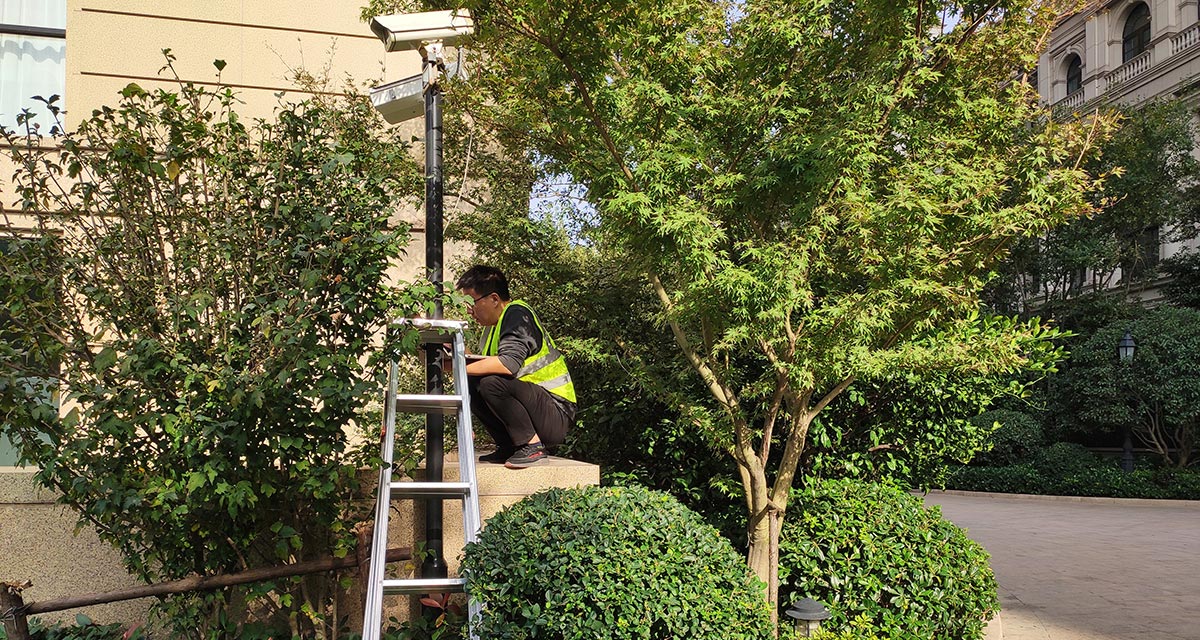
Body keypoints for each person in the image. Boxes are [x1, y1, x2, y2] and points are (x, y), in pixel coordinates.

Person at [455, 265, 576, 469]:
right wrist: (454, 355)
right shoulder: (493, 328)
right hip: (539, 409)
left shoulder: (517, 314)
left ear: (494, 299)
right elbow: (480, 366)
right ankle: (509, 445)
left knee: (490, 383)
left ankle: (532, 446)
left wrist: (457, 367)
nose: (469, 310)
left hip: (556, 413)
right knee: (473, 382)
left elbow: (508, 364)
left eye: (471, 302)